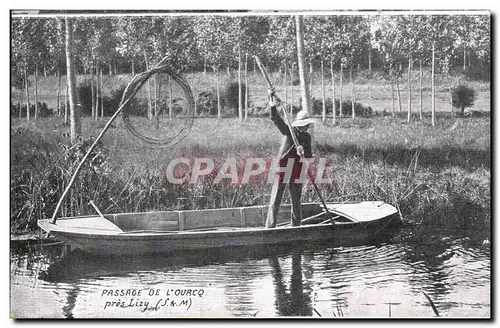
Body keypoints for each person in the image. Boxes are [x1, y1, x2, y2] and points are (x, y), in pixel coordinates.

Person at [266, 87, 314, 228]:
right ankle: (270, 226)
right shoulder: (289, 131)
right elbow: (275, 118)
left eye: (308, 124)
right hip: (283, 167)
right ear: (301, 124)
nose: (307, 126)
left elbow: (309, 156)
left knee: (296, 200)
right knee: (276, 199)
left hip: (297, 169)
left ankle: (296, 226)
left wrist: (303, 153)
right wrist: (272, 101)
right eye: (306, 124)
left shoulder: (307, 137)